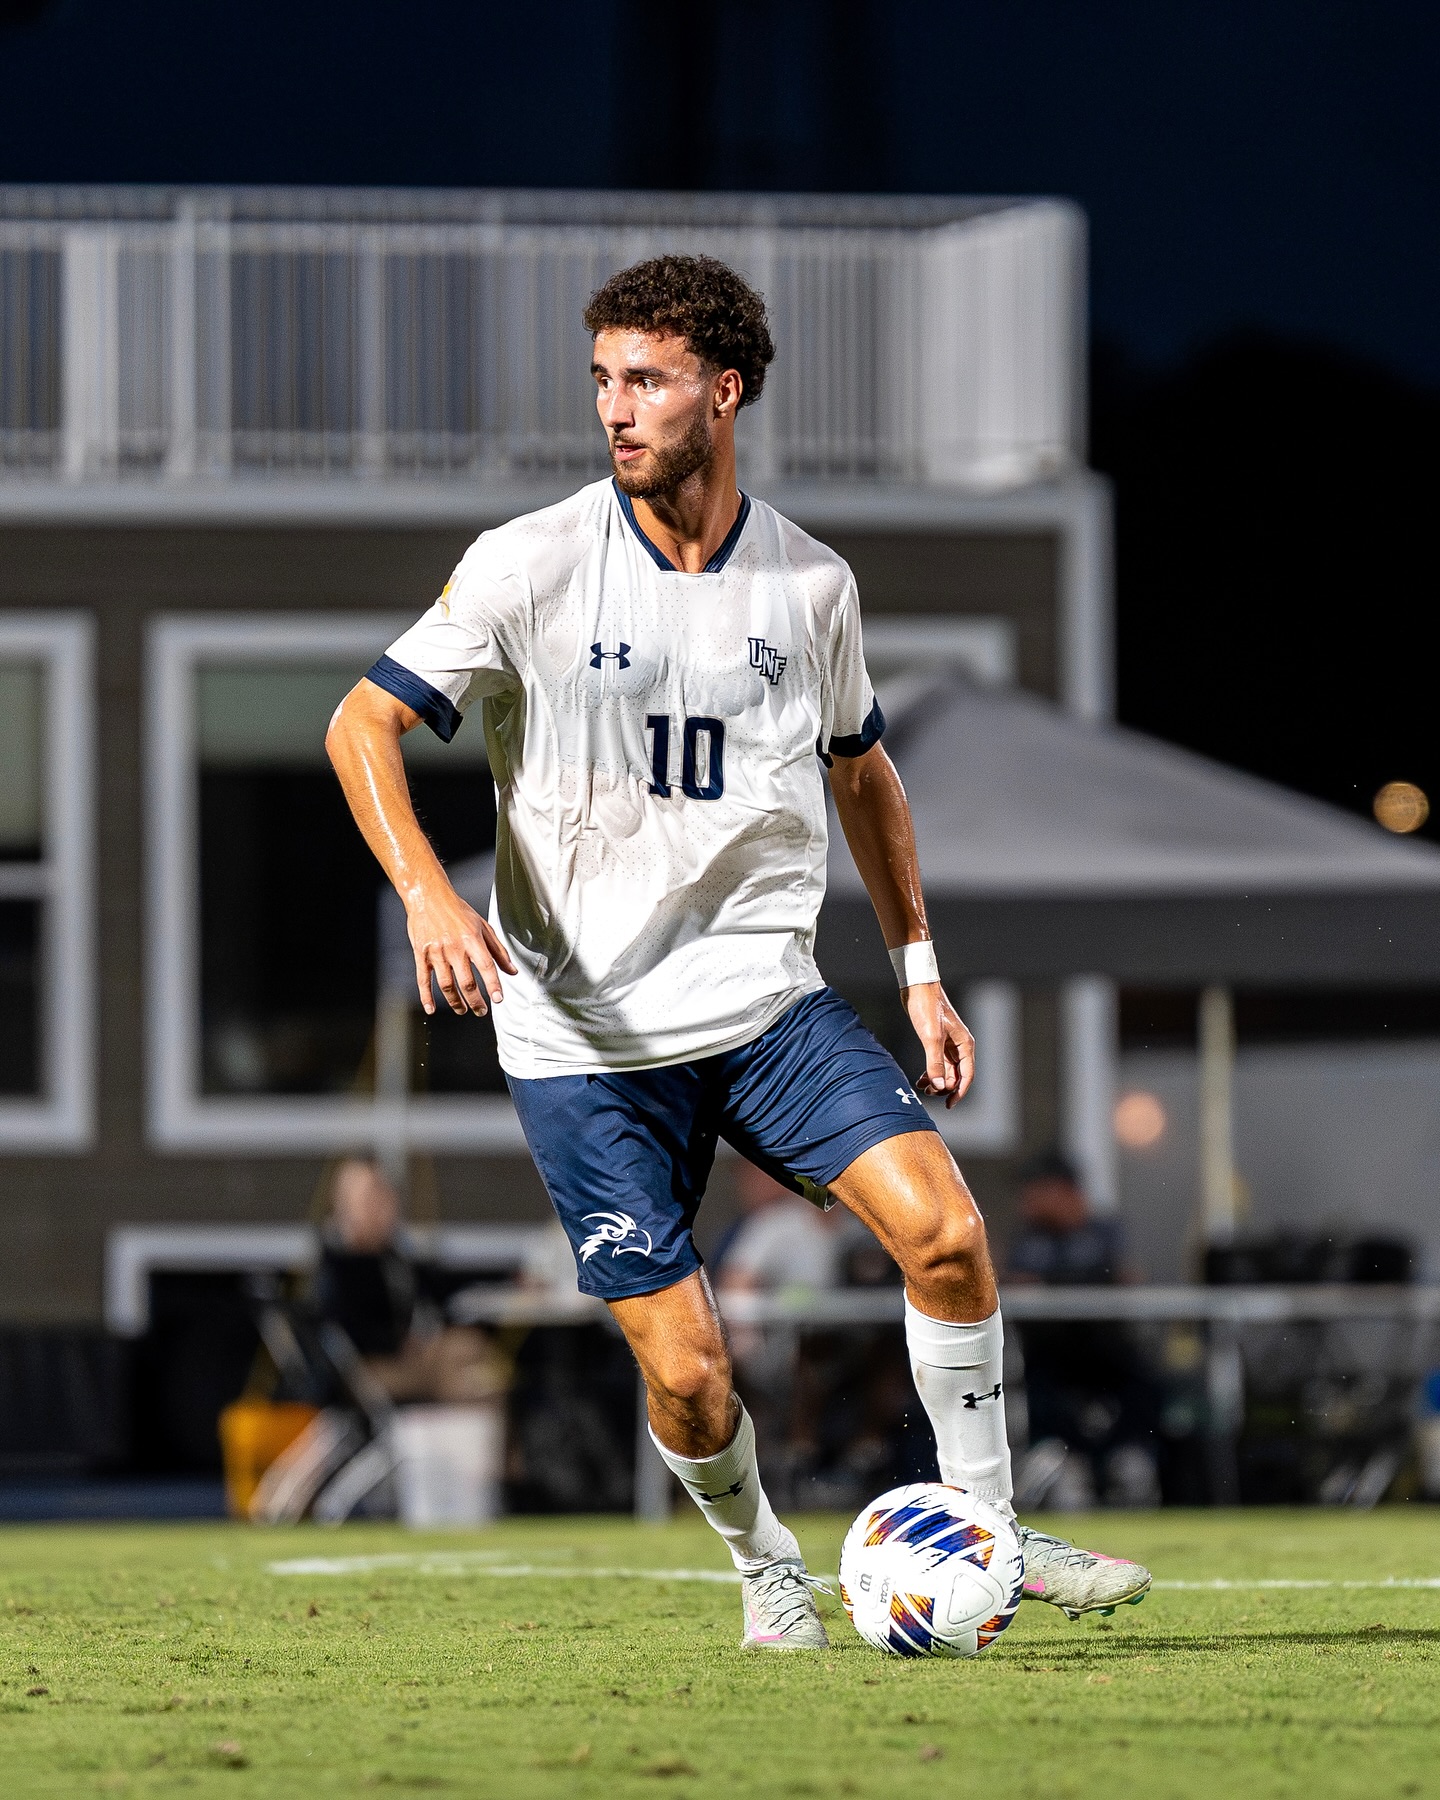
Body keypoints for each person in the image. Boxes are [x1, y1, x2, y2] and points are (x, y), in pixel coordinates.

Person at [326, 254, 1151, 1647]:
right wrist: (424, 892)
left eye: (644, 379)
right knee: (695, 1378)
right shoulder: (532, 564)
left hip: (767, 1005)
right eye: (601, 381)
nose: (615, 410)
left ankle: (992, 1539)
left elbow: (865, 775)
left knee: (946, 1234)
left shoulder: (811, 585)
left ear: (726, 390)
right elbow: (362, 727)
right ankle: (769, 1565)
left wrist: (921, 970)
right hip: (584, 1044)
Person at [1006, 1151, 1160, 1508]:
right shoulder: (1030, 1239)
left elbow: (1124, 1278)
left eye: (1035, 1192)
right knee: (1040, 1394)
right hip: (1051, 1352)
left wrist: (1054, 1284)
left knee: (1144, 1387)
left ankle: (1129, 1461)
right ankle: (1062, 1465)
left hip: (1106, 1349)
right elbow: (1015, 1284)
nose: (1027, 1202)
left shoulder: (1103, 1230)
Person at [314, 1158, 504, 1405]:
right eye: (371, 1198)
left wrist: (509, 1276)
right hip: (370, 1367)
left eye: (384, 1195)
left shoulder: (388, 1255)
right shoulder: (342, 1264)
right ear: (345, 1206)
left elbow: (439, 1281)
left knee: (470, 1345)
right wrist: (405, 1343)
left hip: (409, 1350)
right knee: (464, 1383)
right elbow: (343, 1329)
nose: (383, 1205)